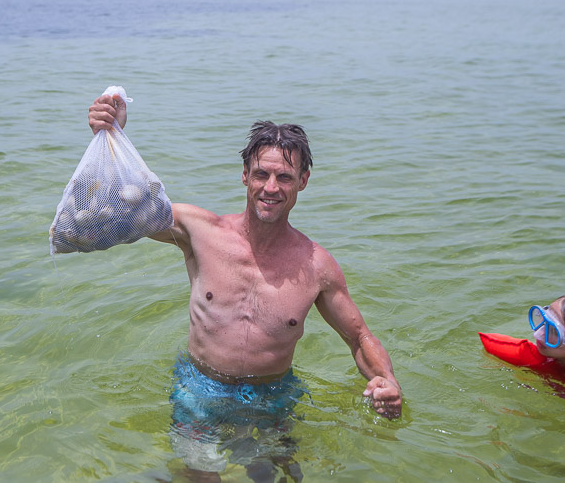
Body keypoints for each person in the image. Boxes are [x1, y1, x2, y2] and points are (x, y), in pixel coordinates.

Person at [88, 92, 402, 479]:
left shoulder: (317, 266)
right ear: (244, 175)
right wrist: (111, 135)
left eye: (284, 177)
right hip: (200, 390)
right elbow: (119, 207)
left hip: (273, 398)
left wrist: (385, 380)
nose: (271, 187)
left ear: (303, 181)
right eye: (261, 174)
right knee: (201, 477)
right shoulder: (199, 231)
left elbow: (359, 338)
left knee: (276, 476)